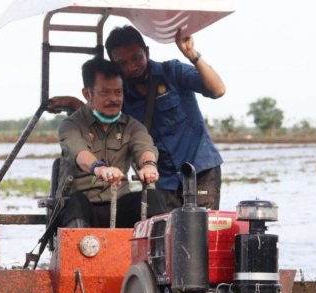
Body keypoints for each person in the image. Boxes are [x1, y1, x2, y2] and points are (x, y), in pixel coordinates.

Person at [49, 26, 226, 211]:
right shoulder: (119, 94)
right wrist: (71, 102)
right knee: (169, 230)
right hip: (163, 175)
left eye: (136, 58)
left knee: (203, 227)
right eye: (122, 63)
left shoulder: (172, 72)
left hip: (198, 167)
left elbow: (218, 90)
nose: (132, 67)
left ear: (147, 52)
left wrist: (192, 55)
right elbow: (98, 111)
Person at [56, 57, 166, 228]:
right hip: (83, 206)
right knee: (75, 203)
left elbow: (143, 145)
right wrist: (99, 169)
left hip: (118, 203)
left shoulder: (132, 126)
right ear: (87, 94)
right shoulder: (71, 125)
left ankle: (157, 253)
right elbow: (78, 151)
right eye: (105, 93)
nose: (113, 99)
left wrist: (149, 165)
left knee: (153, 197)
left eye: (118, 92)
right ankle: (82, 251)